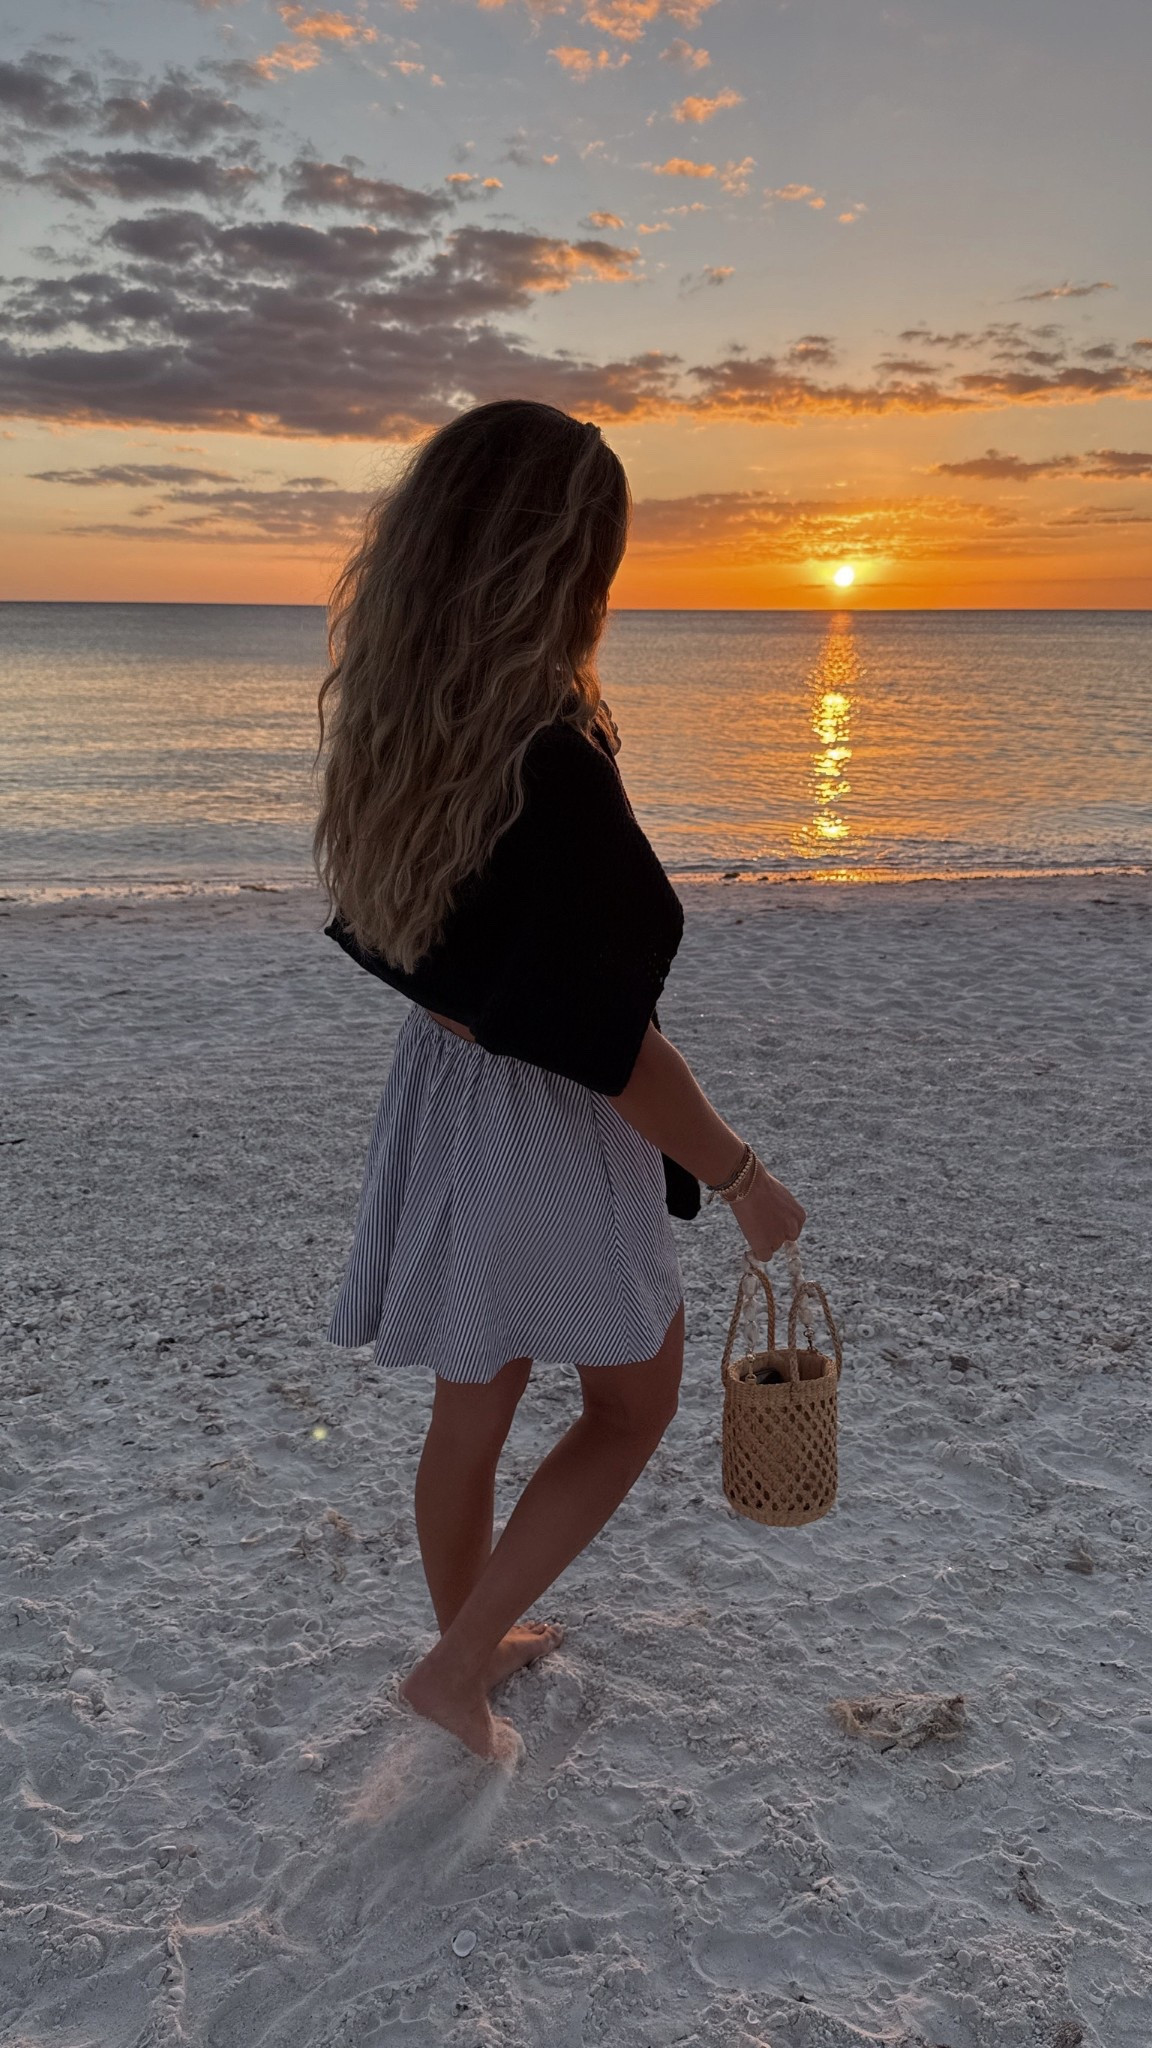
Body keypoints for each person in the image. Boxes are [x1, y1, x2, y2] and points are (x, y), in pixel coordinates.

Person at [313, 399, 805, 1759]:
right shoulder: (549, 765)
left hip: (452, 1097)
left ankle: (470, 1637)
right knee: (634, 1399)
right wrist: (746, 1182)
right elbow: (618, 1052)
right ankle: (459, 1660)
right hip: (545, 1111)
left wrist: (480, 1011)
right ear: (561, 565)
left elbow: (395, 940)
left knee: (475, 1398)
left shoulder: (401, 724)